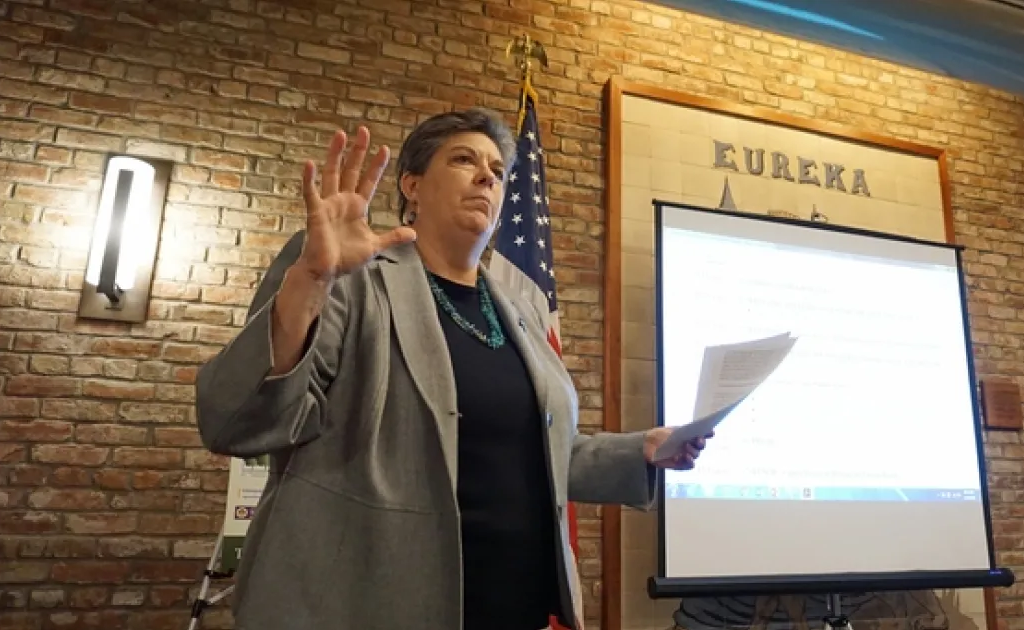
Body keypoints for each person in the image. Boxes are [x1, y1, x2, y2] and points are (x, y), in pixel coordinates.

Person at [194, 108, 712, 630]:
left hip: (516, 610)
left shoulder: (522, 312)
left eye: (497, 170)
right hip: (361, 607)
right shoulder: (350, 281)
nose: (487, 176)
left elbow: (536, 454)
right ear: (412, 186)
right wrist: (311, 278)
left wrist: (641, 450)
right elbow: (235, 421)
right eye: (465, 160)